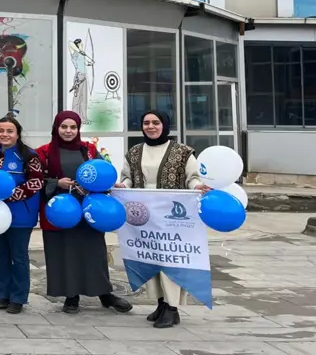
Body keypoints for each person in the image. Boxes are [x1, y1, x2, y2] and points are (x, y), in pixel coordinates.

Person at [115, 110, 208, 328]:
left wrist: (198, 187)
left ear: (165, 125)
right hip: (144, 218)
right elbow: (128, 178)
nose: (151, 126)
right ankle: (161, 304)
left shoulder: (182, 152)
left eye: (156, 122)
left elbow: (192, 178)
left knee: (171, 260)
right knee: (151, 260)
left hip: (173, 218)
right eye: (146, 123)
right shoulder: (135, 152)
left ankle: (172, 308)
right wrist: (123, 186)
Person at [37, 111, 132, 315]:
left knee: (94, 252)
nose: (68, 131)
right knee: (65, 253)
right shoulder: (44, 152)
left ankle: (105, 294)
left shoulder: (89, 150)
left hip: (91, 209)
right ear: (56, 128)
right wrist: (56, 183)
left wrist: (109, 184)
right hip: (61, 211)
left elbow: (101, 173)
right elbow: (35, 180)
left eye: (73, 127)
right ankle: (71, 297)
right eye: (64, 127)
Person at [0, 115, 44, 315]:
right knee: (1, 255)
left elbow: (36, 182)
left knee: (19, 256)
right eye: (1, 131)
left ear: (17, 134)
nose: (4, 135)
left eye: (9, 131)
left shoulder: (29, 156)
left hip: (20, 214)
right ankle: (3, 294)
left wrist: (10, 195)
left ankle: (18, 297)